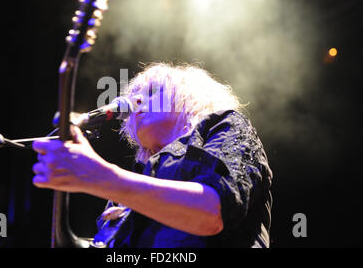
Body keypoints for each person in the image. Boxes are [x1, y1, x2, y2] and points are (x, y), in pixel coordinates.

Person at [32, 62, 273, 248]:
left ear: (189, 97)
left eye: (152, 91)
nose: (134, 100)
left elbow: (212, 213)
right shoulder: (125, 194)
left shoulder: (224, 125)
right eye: (135, 94)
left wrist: (103, 178)